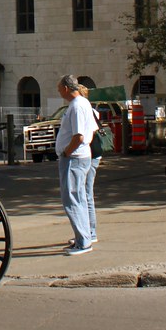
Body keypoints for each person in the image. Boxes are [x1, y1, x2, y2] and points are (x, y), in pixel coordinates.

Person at [55, 74, 95, 255]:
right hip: (80, 156)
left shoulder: (77, 106)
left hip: (74, 158)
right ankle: (84, 237)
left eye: (59, 88)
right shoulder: (83, 103)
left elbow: (78, 136)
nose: (59, 92)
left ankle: (83, 241)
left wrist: (66, 152)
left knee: (72, 199)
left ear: (66, 88)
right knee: (79, 198)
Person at [78, 84, 101, 246]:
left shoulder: (84, 110)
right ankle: (87, 232)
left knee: (86, 194)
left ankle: (90, 232)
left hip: (89, 155)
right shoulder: (90, 110)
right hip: (92, 154)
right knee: (84, 194)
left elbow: (85, 135)